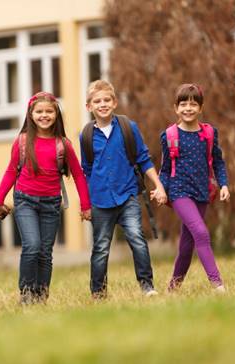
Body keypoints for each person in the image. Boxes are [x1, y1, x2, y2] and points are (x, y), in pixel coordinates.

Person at [0, 91, 92, 305]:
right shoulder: (21, 141)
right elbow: (11, 171)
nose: (44, 115)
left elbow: (78, 175)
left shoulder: (63, 144)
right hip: (25, 200)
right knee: (32, 246)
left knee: (45, 252)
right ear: (31, 114)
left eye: (49, 111)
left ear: (56, 114)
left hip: (51, 203)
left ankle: (41, 295)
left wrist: (85, 205)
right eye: (39, 111)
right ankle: (26, 292)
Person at [80, 80, 167, 299]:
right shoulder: (86, 136)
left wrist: (158, 185)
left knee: (137, 238)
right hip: (100, 199)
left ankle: (147, 285)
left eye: (107, 100)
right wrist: (86, 203)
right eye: (97, 101)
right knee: (100, 248)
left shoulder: (129, 128)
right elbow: (86, 171)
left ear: (115, 102)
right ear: (89, 106)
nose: (102, 104)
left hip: (127, 194)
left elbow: (144, 159)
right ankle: (98, 292)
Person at [158, 83, 229, 293]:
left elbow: (218, 162)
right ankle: (217, 284)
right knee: (201, 232)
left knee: (187, 246)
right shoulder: (170, 136)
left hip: (202, 192)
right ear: (176, 108)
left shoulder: (209, 134)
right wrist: (161, 189)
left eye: (193, 104)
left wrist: (224, 183)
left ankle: (173, 288)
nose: (188, 108)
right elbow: (164, 168)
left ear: (200, 107)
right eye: (183, 104)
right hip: (179, 192)